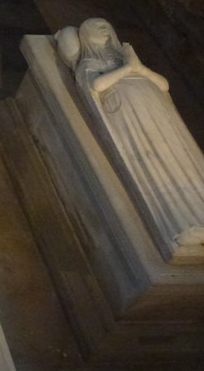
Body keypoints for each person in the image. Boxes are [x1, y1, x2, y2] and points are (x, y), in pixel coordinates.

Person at [70, 18, 204, 254]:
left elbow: (163, 85)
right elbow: (98, 85)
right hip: (130, 117)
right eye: (94, 25)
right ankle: (182, 223)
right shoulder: (89, 63)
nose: (102, 26)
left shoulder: (126, 60)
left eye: (105, 23)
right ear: (85, 36)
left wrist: (138, 66)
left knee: (182, 160)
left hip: (158, 113)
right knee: (154, 165)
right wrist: (128, 69)